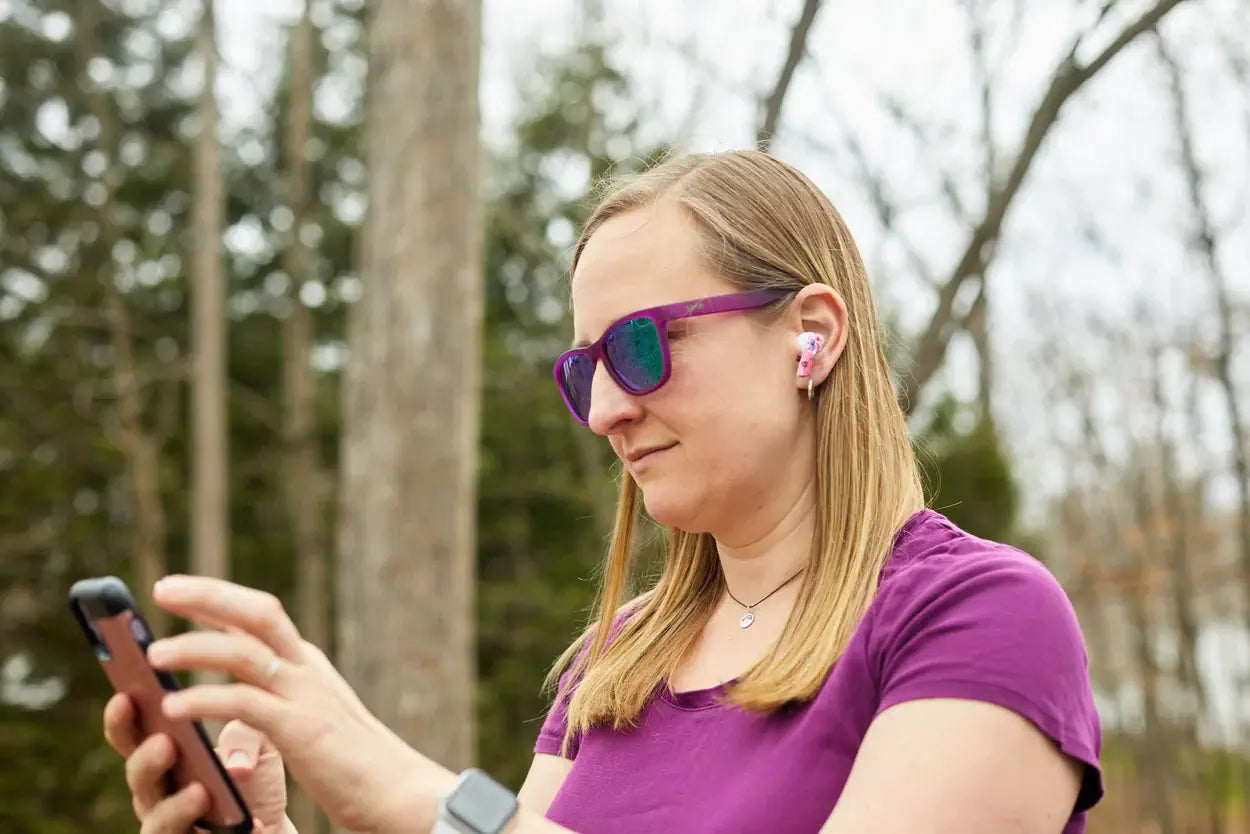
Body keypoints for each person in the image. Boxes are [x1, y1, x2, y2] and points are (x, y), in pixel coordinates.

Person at [104, 149, 1103, 834]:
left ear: (812, 335)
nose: (606, 409)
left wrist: (423, 802)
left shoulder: (974, 619)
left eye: (643, 345)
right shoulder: (615, 662)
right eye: (586, 369)